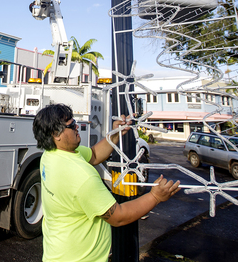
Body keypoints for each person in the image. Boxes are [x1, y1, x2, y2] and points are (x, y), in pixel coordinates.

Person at [33, 104, 180, 262]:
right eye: (72, 124)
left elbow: (94, 154)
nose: (77, 127)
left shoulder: (50, 156)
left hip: (56, 255)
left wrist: (115, 134)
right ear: (56, 134)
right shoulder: (81, 176)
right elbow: (118, 216)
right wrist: (155, 197)